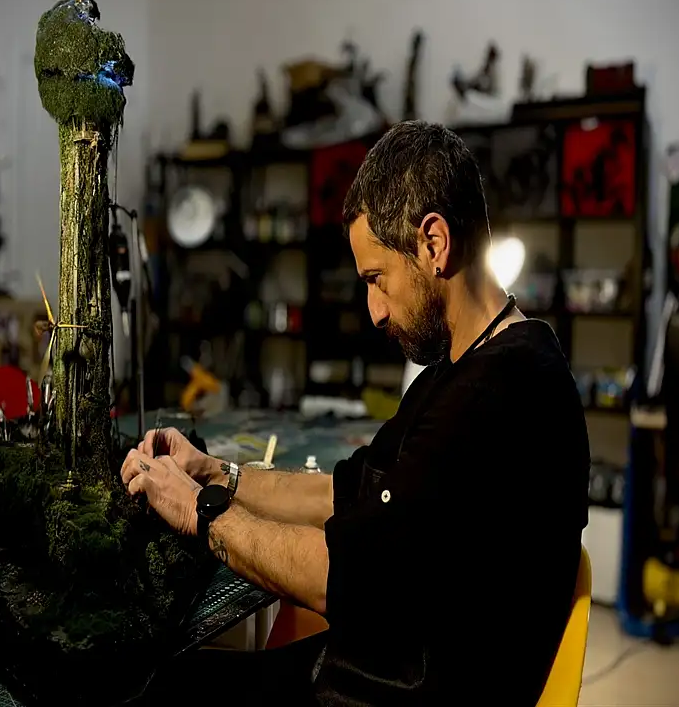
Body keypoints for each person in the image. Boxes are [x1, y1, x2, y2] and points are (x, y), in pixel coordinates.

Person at [122, 121, 590, 706]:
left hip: (396, 691)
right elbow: (348, 492)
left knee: (145, 689)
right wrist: (216, 473)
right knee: (169, 678)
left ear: (434, 243)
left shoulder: (499, 394)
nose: (374, 311)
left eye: (377, 279)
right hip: (371, 667)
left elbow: (340, 576)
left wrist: (199, 511)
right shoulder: (469, 366)